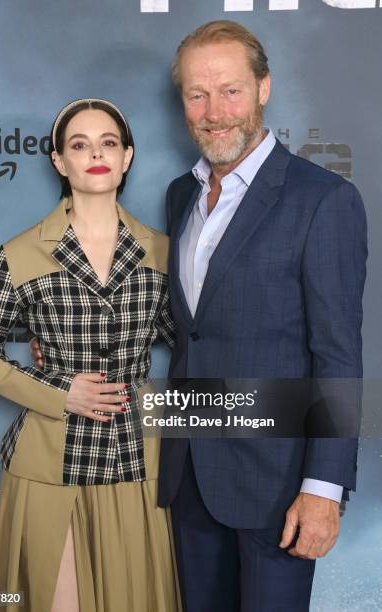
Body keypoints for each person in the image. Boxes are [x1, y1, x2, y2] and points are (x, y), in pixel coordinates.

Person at [153, 20, 367, 612]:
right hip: (189, 469)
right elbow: (192, 329)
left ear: (264, 88)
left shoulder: (323, 200)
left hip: (279, 484)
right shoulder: (181, 196)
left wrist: (323, 489)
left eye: (231, 91)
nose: (214, 111)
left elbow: (337, 355)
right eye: (197, 94)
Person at [0, 98, 181, 612]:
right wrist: (60, 390)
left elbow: (198, 343)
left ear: (127, 156)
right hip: (49, 459)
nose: (95, 154)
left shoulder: (165, 252)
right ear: (60, 162)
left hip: (138, 455)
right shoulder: (21, 252)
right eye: (79, 145)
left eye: (108, 143)